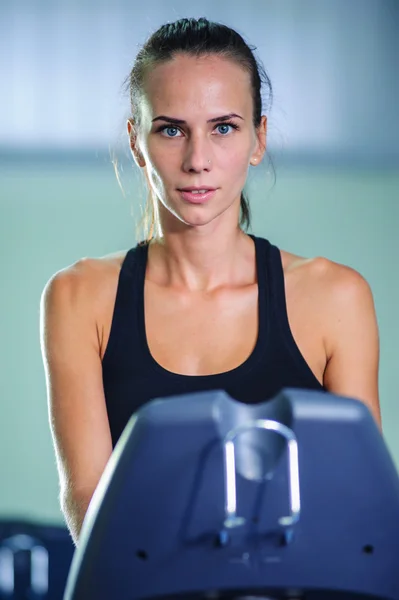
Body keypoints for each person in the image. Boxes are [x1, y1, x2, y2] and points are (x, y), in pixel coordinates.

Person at [40, 17, 381, 547]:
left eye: (224, 127)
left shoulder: (335, 296)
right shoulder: (79, 297)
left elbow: (360, 502)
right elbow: (88, 496)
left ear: (258, 139)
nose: (198, 160)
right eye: (171, 129)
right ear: (136, 142)